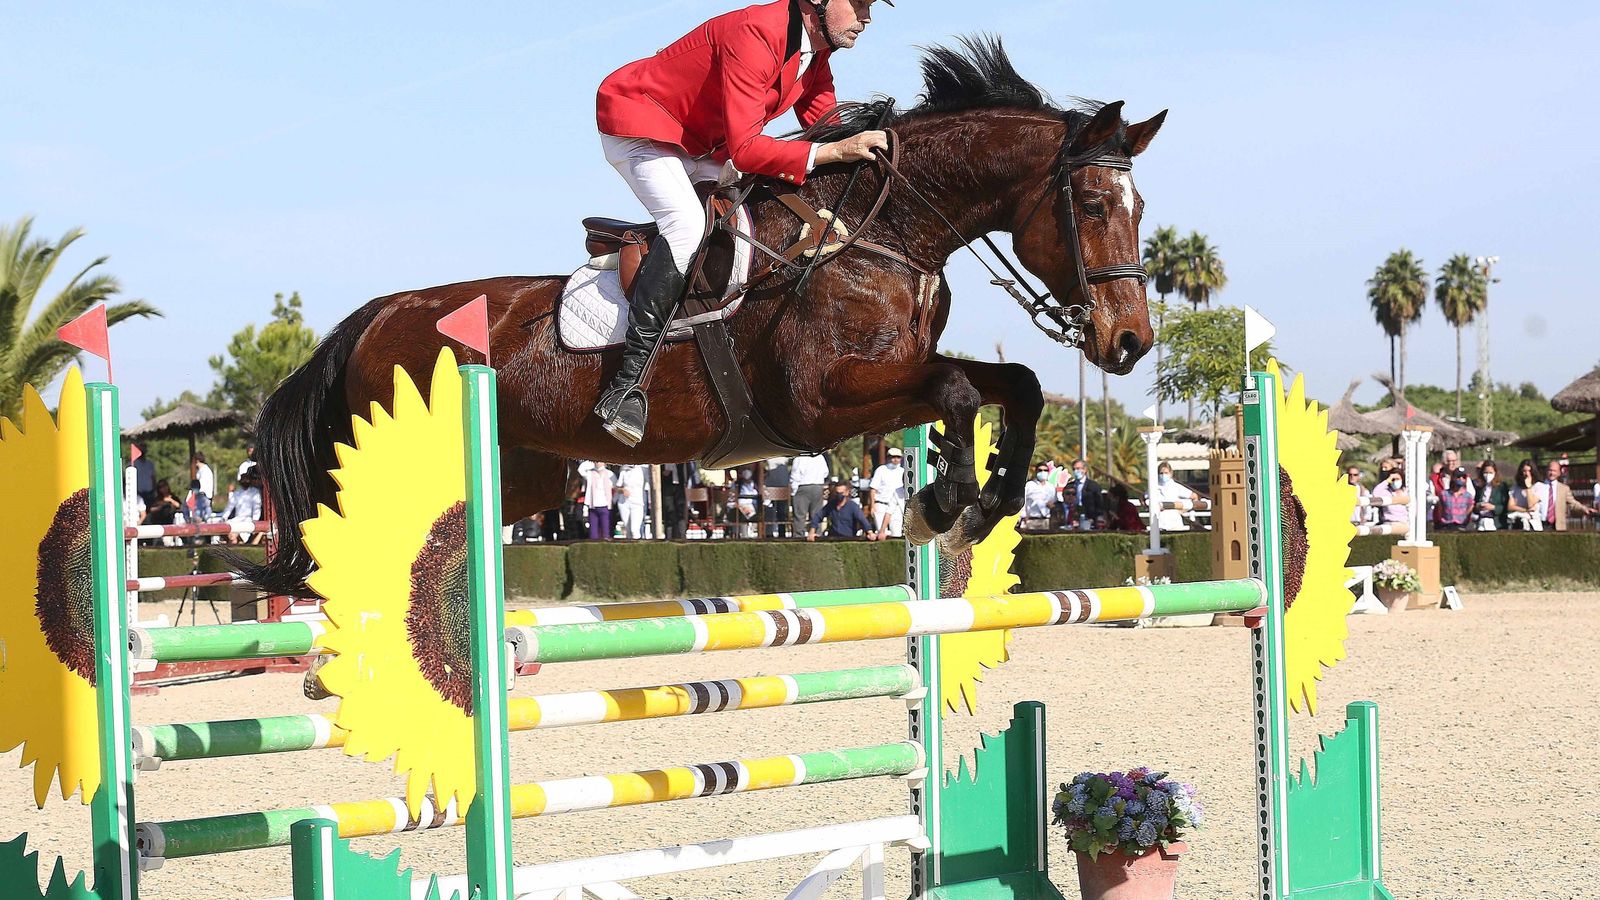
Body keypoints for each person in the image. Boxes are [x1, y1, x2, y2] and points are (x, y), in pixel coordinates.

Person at [592, 0, 892, 445]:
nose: (866, 18)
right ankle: (625, 386)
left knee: (759, 207)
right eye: (860, 3)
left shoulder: (815, 52)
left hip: (700, 145)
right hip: (641, 125)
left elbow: (826, 126)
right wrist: (833, 151)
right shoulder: (757, 32)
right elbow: (750, 149)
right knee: (687, 226)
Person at [1532, 459, 1596, 532]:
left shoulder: (1564, 489)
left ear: (1559, 473)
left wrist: (1584, 509)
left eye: (1554, 471)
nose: (1552, 473)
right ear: (1546, 471)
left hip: (1558, 526)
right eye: (1550, 470)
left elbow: (1573, 503)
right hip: (1540, 525)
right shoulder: (1538, 486)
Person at [806, 479, 876, 540]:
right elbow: (818, 516)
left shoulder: (853, 506)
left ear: (847, 492)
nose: (839, 495)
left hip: (848, 539)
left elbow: (863, 520)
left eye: (841, 493)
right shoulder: (831, 505)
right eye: (837, 493)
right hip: (832, 538)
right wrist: (812, 532)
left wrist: (870, 533)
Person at [1152, 462, 1207, 532]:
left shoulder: (1176, 486)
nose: (1163, 475)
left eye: (1166, 473)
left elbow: (1194, 496)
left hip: (1175, 523)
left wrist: (1182, 511)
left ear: (1171, 473)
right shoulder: (1153, 487)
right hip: (1159, 523)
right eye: (1161, 473)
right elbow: (1144, 497)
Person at [868, 447, 908, 538]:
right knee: (881, 532)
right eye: (893, 457)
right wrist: (872, 505)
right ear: (888, 457)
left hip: (896, 506)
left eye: (898, 457)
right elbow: (873, 488)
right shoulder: (881, 470)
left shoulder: (902, 471)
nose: (895, 459)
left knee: (896, 532)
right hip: (881, 504)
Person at [220, 470, 265, 545]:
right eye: (243, 480)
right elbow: (229, 506)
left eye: (246, 480)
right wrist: (224, 517)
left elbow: (256, 508)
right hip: (238, 518)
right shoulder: (237, 493)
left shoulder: (255, 492)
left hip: (249, 519)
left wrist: (255, 520)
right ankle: (233, 543)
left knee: (245, 529)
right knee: (227, 525)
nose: (245, 481)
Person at [791, 452, 831, 536]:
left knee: (800, 515)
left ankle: (799, 536)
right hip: (818, 486)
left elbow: (795, 475)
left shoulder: (799, 458)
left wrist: (794, 491)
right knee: (816, 514)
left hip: (803, 486)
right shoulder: (820, 457)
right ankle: (816, 534)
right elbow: (825, 473)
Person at [579, 461, 617, 540]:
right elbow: (580, 469)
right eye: (596, 462)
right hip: (593, 505)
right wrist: (591, 459)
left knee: (606, 531)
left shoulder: (610, 474)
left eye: (600, 461)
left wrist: (613, 501)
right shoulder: (590, 473)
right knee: (593, 532)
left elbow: (616, 488)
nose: (598, 463)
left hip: (605, 505)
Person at [1062, 458, 1104, 530]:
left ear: (1085, 470)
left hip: (1089, 519)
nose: (1076, 471)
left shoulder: (1093, 486)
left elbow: (1099, 505)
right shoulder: (1070, 485)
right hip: (1073, 518)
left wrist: (1095, 518)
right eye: (1074, 469)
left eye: (1078, 468)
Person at [1507, 459, 1542, 530]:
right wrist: (1525, 510)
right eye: (1524, 471)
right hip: (1517, 522)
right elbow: (1510, 506)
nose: (1527, 474)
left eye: (1529, 471)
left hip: (1533, 523)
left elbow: (1530, 504)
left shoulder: (1539, 486)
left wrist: (1528, 487)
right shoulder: (1515, 488)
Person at [618, 464, 650, 539]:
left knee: (634, 529)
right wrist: (623, 490)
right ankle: (629, 545)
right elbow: (618, 487)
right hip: (624, 503)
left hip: (637, 503)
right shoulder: (624, 470)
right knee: (628, 529)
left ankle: (637, 544)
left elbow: (651, 483)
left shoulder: (643, 469)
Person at [1474, 461, 1509, 531]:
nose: (1488, 475)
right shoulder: (1479, 487)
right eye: (1485, 472)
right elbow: (1475, 503)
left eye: (1490, 473)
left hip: (1496, 522)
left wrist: (1493, 507)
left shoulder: (1502, 487)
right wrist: (1478, 506)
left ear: (1495, 473)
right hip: (1481, 521)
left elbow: (1505, 506)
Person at [1022, 463, 1056, 531]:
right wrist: (1023, 516)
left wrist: (1052, 505)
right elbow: (1023, 501)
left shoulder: (1051, 487)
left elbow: (1055, 502)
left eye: (1045, 470)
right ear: (1036, 472)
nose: (1043, 472)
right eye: (1040, 470)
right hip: (1031, 520)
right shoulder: (1029, 485)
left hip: (1046, 520)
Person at [763, 457, 792, 537]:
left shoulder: (785, 457)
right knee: (770, 512)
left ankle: (781, 533)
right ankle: (769, 533)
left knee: (781, 513)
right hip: (771, 487)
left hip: (781, 486)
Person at [189, 452, 215, 522]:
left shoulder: (204, 471)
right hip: (202, 497)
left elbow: (201, 486)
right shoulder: (202, 471)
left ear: (197, 460)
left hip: (203, 497)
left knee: (199, 519)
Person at [130, 441, 157, 507]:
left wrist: (154, 490)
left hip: (149, 493)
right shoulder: (133, 464)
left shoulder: (150, 464)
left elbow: (153, 477)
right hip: (137, 493)